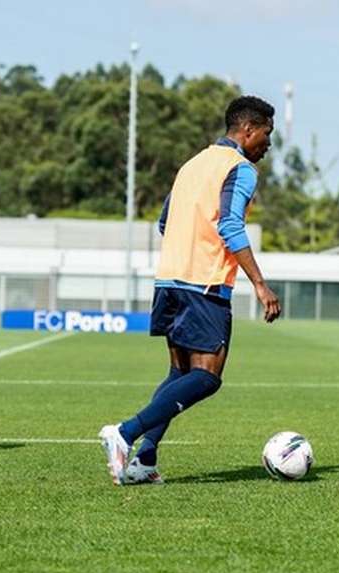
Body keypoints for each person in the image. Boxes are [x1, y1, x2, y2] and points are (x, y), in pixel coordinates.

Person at [98, 96, 282, 485]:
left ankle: (144, 460)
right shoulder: (241, 169)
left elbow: (165, 221)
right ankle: (125, 433)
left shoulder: (192, 164)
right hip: (204, 284)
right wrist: (261, 286)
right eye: (266, 135)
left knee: (179, 371)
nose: (268, 144)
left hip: (169, 279)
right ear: (248, 130)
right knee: (207, 377)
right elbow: (230, 226)